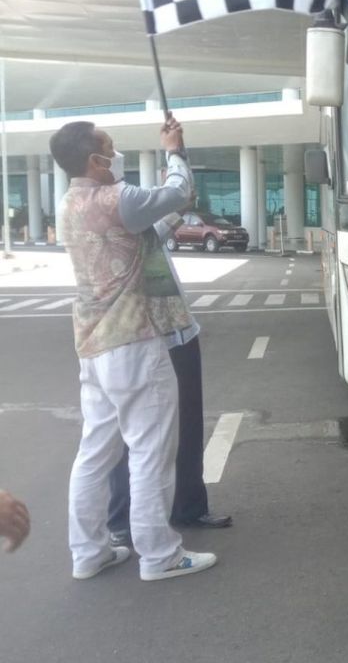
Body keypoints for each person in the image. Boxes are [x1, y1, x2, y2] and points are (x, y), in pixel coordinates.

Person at [51, 116, 217, 582]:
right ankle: (159, 555)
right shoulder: (114, 198)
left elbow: (138, 239)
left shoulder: (71, 202)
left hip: (93, 345)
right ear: (94, 159)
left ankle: (88, 552)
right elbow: (178, 191)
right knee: (149, 450)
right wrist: (175, 150)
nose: (116, 153)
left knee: (95, 452)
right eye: (110, 147)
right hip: (134, 343)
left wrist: (170, 215)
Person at [106, 197, 232, 549]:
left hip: (178, 332)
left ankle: (189, 506)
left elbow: (160, 226)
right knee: (129, 433)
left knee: (187, 425)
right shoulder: (102, 215)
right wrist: (176, 163)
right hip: (134, 339)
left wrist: (176, 203)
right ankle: (122, 520)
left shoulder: (140, 226)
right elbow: (159, 218)